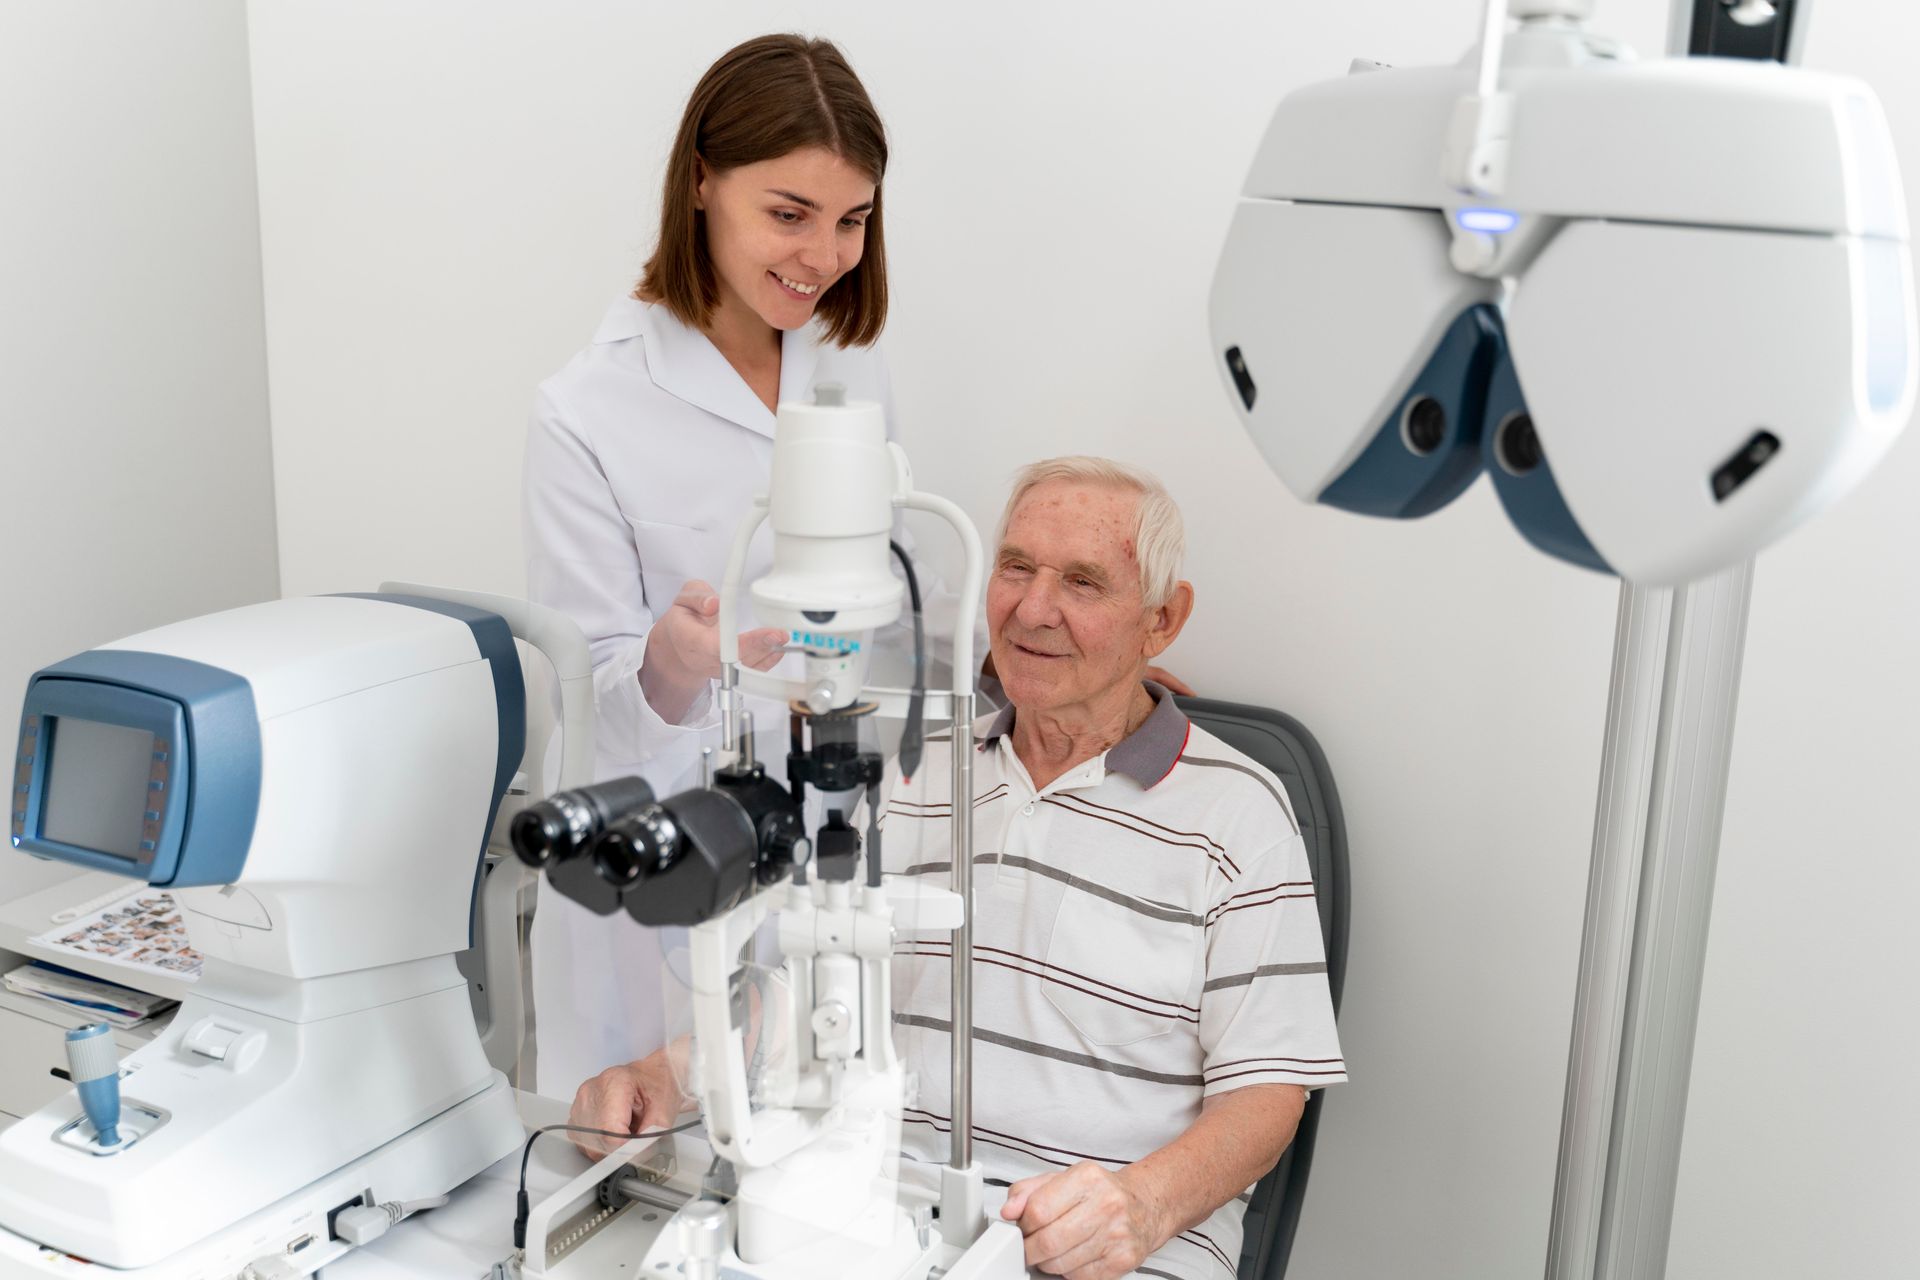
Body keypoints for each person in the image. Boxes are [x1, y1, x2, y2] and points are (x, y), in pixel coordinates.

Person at [573, 457, 1343, 1280]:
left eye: (1082, 583)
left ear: (1161, 622)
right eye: (1015, 567)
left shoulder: (1240, 814)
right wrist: (666, 1076)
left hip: (1094, 1248)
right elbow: (819, 1001)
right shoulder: (915, 772)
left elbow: (1268, 1097)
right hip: (888, 1219)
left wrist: (1141, 1205)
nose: (1033, 609)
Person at [522, 33, 900, 1096]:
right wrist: (676, 664)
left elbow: (899, 596)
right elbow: (590, 703)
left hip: (822, 846)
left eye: (852, 220)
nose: (822, 255)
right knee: (647, 1190)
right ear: (701, 181)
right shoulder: (586, 410)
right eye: (788, 213)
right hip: (658, 874)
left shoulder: (852, 365)